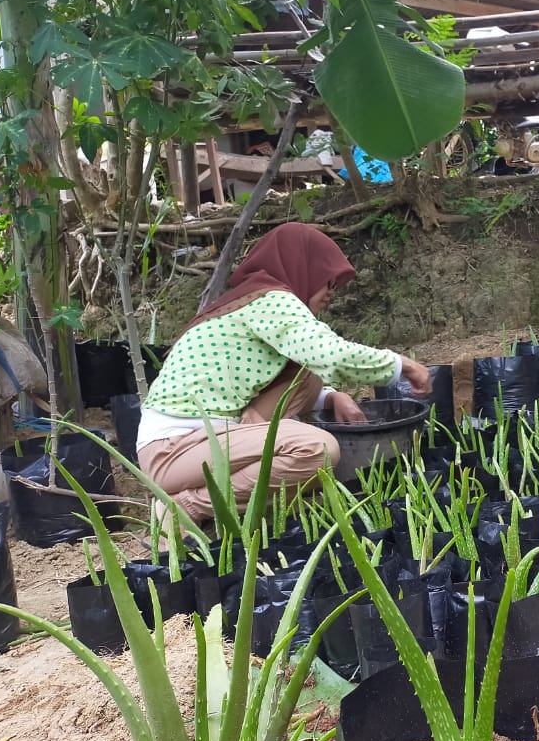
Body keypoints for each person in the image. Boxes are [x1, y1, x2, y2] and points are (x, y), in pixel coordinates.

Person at [136, 223, 431, 522]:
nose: (331, 292)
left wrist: (331, 398)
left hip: (205, 439)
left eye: (335, 286)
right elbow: (331, 354)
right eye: (327, 280)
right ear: (302, 266)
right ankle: (185, 507)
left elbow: (306, 371)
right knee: (317, 451)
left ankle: (239, 485)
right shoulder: (271, 300)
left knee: (307, 377)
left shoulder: (252, 301)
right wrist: (401, 366)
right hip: (175, 450)